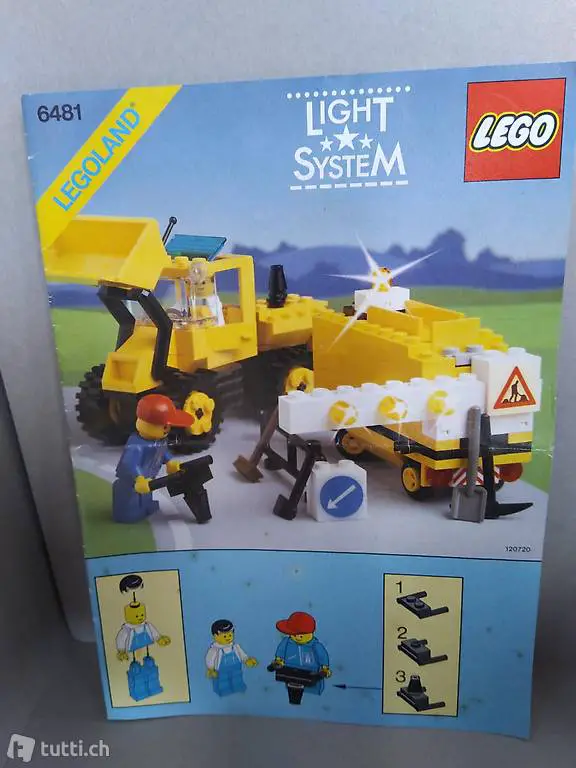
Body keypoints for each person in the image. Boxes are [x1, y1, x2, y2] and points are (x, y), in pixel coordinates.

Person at [112, 394, 194, 523]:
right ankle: (128, 513)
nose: (167, 430)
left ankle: (146, 506)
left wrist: (170, 462)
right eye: (165, 426)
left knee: (147, 493)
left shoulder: (159, 441)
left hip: (148, 478)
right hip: (132, 480)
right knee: (130, 495)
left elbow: (163, 452)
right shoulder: (136, 445)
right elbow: (129, 464)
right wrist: (138, 478)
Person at [273, 611, 331, 695]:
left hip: (311, 675)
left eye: (301, 635)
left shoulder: (315, 646)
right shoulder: (287, 642)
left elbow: (322, 656)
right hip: (290, 674)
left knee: (310, 693)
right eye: (294, 634)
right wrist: (278, 661)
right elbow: (280, 652)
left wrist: (324, 669)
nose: (297, 638)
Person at [205, 619, 258, 696]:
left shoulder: (235, 647)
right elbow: (209, 659)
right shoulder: (215, 650)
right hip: (221, 671)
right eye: (225, 636)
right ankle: (224, 692)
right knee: (223, 683)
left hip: (236, 670)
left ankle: (238, 690)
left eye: (230, 635)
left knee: (237, 680)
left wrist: (247, 660)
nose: (228, 638)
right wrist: (211, 669)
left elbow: (242, 655)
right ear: (215, 636)